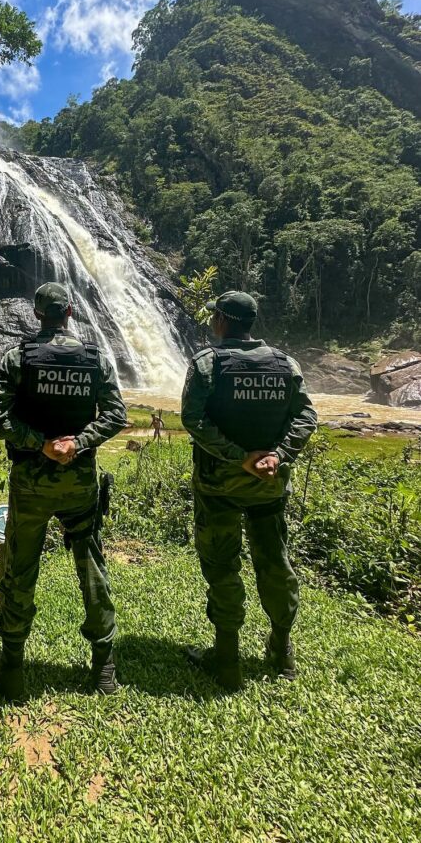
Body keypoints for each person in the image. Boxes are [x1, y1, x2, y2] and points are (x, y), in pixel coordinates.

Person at [0, 282, 128, 701]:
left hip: (31, 483)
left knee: (19, 567)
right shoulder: (94, 359)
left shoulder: (19, 358)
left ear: (36, 314)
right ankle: (104, 669)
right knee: (91, 568)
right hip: (79, 482)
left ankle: (12, 667)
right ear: (69, 312)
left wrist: (39, 442)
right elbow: (117, 415)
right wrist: (77, 443)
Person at [180, 290, 317, 690]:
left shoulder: (208, 364)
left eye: (213, 317)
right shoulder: (284, 363)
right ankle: (281, 652)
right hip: (269, 488)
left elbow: (193, 419)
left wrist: (238, 455)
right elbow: (306, 414)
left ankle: (226, 660)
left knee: (222, 567)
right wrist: (277, 455)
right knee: (275, 565)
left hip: (218, 487)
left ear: (221, 320)